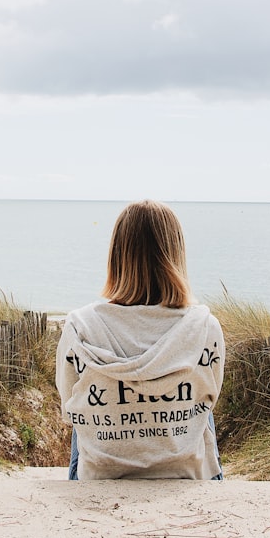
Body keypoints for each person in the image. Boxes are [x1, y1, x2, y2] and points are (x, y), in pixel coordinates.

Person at [55, 200, 225, 480]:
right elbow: (211, 394)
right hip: (184, 474)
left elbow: (68, 407)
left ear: (116, 255)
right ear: (176, 255)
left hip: (101, 476)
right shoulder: (204, 326)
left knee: (81, 413)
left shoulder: (79, 325)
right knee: (203, 411)